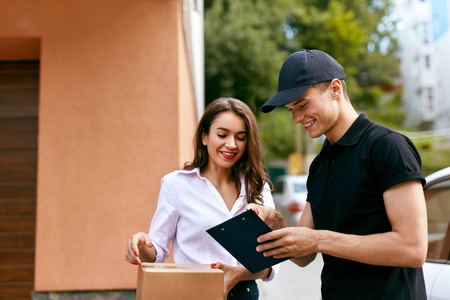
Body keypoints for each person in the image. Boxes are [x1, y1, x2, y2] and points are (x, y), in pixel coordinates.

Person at [250, 49, 428, 299]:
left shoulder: (387, 147)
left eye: (302, 105)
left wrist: (319, 240)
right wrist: (277, 226)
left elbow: (413, 248)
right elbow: (304, 256)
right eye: (291, 109)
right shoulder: (319, 165)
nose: (297, 118)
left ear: (335, 89)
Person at [125, 97, 278, 300]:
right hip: (193, 293)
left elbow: (273, 260)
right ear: (204, 137)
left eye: (241, 137)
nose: (231, 144)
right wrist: (141, 245)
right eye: (222, 134)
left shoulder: (258, 186)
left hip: (245, 293)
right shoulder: (176, 184)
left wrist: (239, 274)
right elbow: (157, 253)